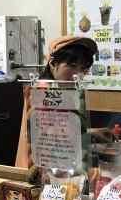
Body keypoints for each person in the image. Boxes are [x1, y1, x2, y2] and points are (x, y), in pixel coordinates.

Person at [15, 36, 98, 168]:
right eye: (72, 66)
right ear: (53, 63)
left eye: (83, 69)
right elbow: (47, 139)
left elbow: (64, 130)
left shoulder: (64, 91)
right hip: (38, 173)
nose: (77, 74)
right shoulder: (42, 91)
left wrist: (94, 133)